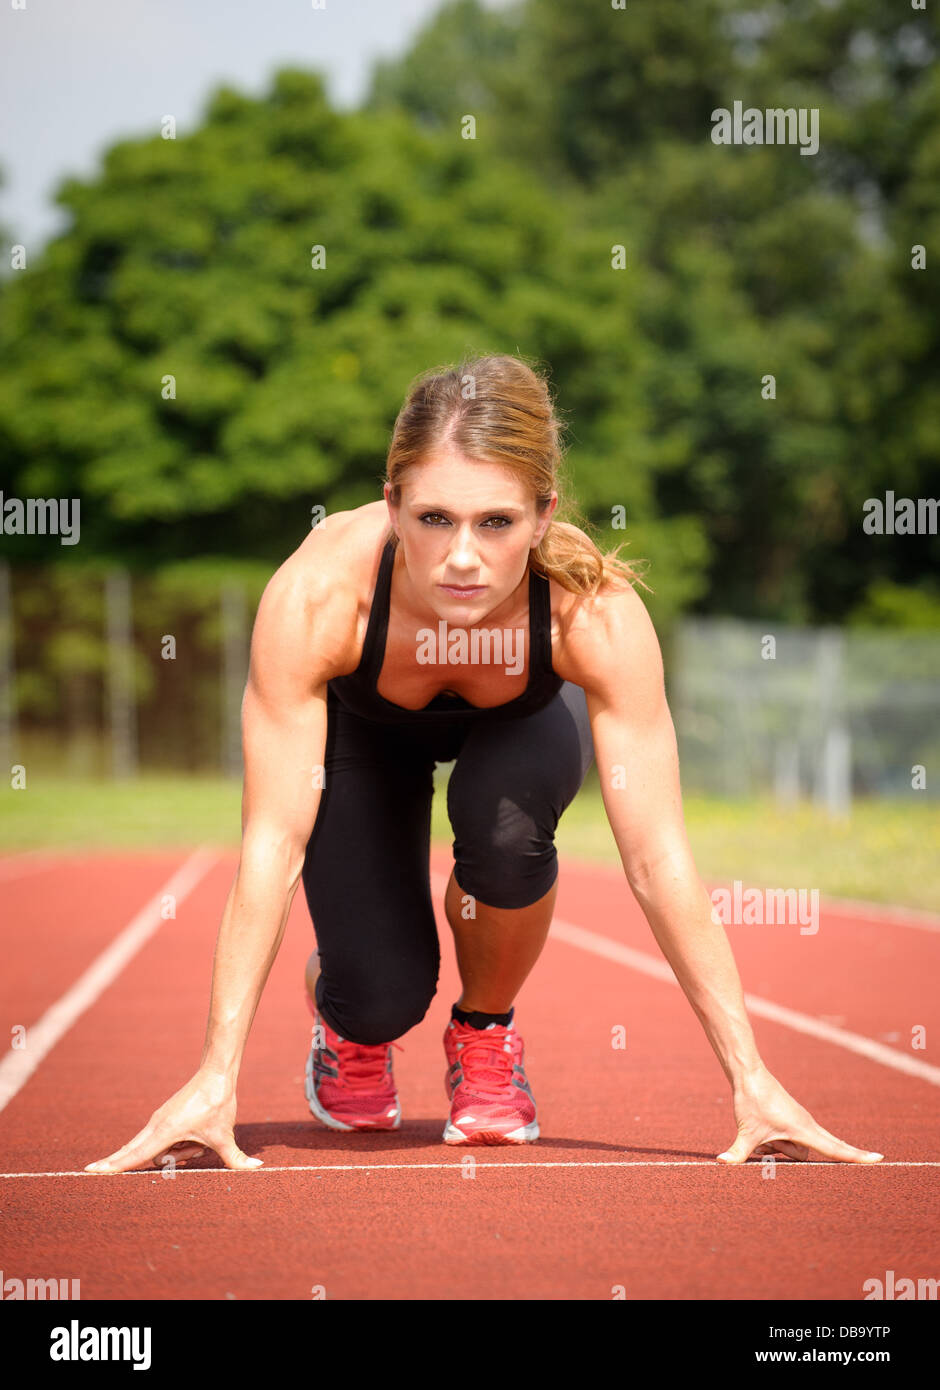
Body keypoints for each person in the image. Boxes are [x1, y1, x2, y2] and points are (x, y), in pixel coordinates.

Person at [85, 353, 884, 1172]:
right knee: (381, 997)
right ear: (392, 504)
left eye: (496, 523)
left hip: (519, 725)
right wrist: (217, 1078)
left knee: (505, 826)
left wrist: (752, 1079)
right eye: (435, 518)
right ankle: (347, 1019)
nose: (463, 557)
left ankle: (485, 1032)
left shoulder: (591, 612)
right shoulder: (318, 599)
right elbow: (271, 847)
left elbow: (657, 857)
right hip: (367, 740)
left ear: (544, 515)